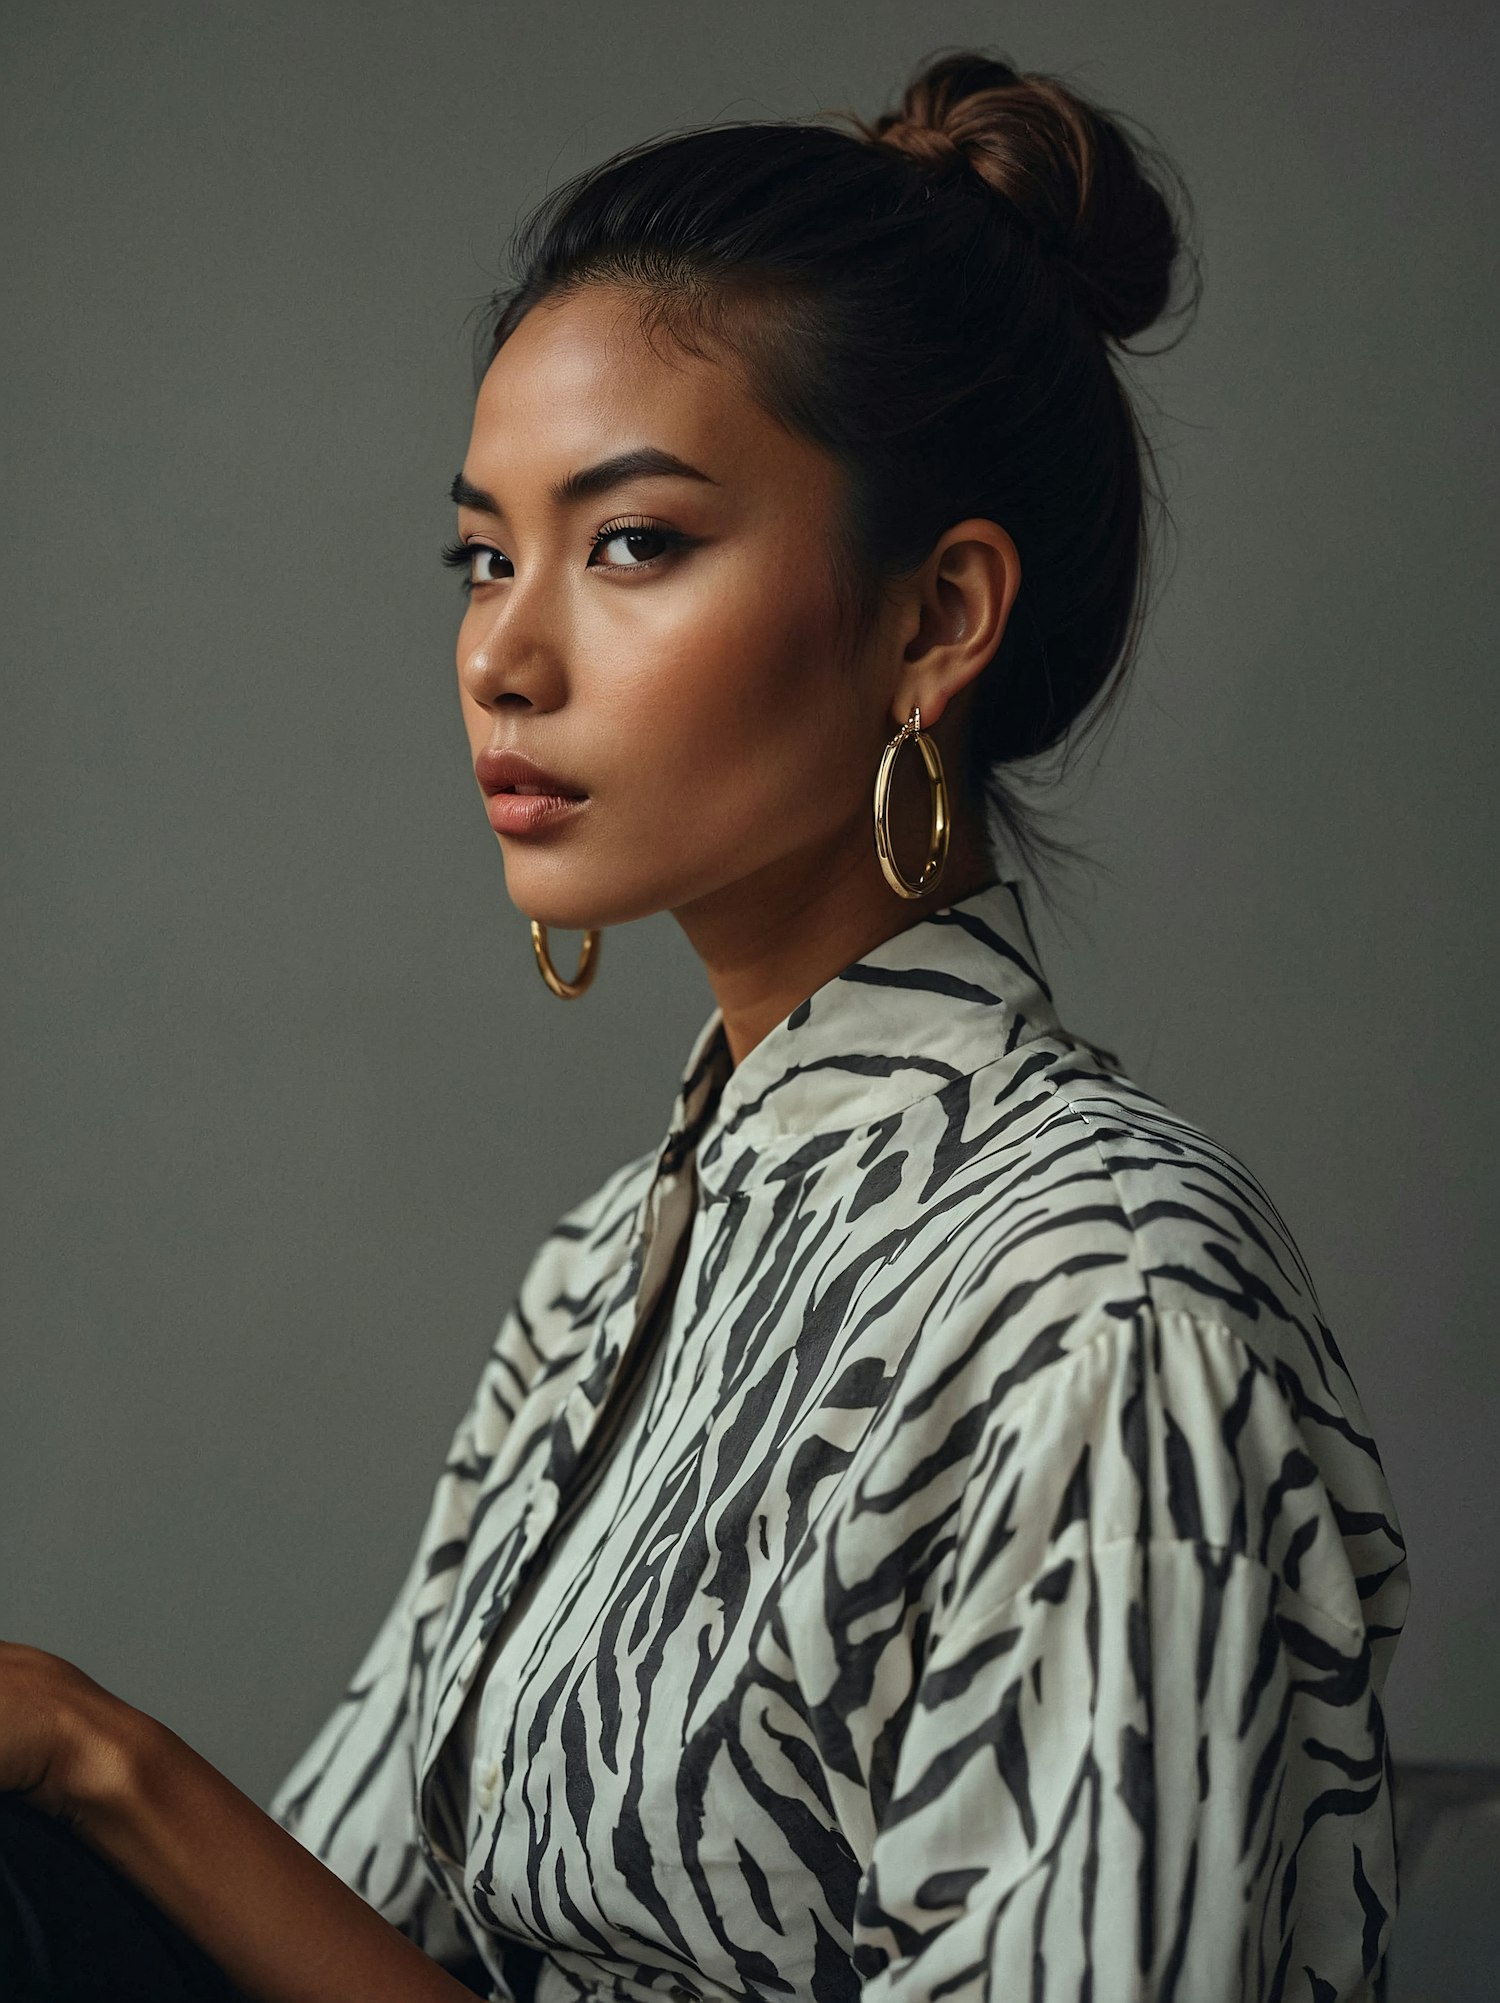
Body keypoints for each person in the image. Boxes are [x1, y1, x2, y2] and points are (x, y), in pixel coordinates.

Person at [0, 47, 1408, 2003]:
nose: (505, 648)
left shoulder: (1111, 1302)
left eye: (633, 542)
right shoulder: (603, 1279)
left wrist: (97, 1759)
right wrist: (77, 1763)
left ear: (936, 621)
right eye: (484, 553)